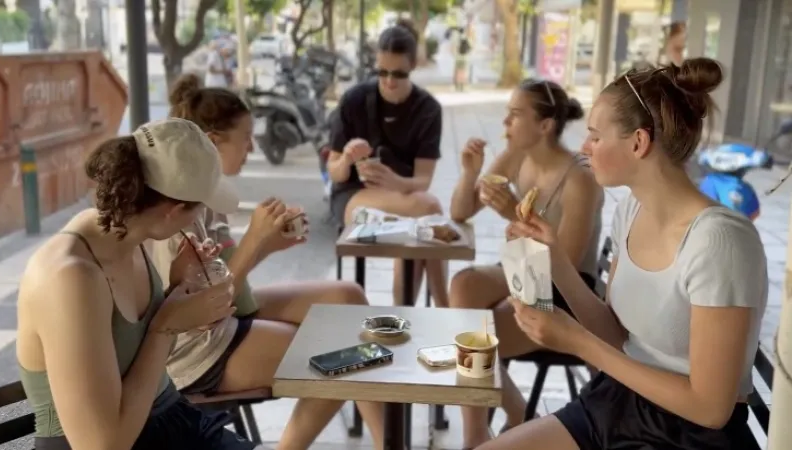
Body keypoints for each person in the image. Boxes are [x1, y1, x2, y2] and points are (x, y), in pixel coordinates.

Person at [482, 58, 767, 450]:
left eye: (595, 136)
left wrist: (578, 343)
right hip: (618, 401)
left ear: (638, 142)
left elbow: (710, 408)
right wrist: (555, 261)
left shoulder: (720, 242)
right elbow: (615, 335)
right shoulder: (630, 211)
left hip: (691, 436)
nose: (584, 148)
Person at [152, 73, 386, 449]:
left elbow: (233, 290)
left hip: (226, 315)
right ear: (212, 143)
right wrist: (256, 240)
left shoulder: (211, 193)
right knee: (346, 356)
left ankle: (385, 443)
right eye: (246, 139)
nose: (252, 148)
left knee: (348, 296)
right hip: (196, 351)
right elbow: (207, 308)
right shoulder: (182, 208)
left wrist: (269, 244)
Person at [16, 118, 263, 449]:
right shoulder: (70, 279)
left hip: (167, 421)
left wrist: (178, 291)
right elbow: (101, 445)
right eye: (199, 208)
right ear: (172, 212)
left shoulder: (128, 237)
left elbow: (137, 361)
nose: (200, 218)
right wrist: (166, 327)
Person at [448, 79, 603, 448]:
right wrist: (471, 171)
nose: (505, 124)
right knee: (463, 286)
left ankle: (492, 428)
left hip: (567, 294)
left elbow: (564, 265)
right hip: (527, 271)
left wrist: (513, 216)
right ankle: (506, 416)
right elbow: (460, 211)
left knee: (471, 335)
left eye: (515, 115)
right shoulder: (516, 155)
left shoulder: (579, 179)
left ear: (545, 125)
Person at [327, 19, 448, 307]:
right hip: (353, 197)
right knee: (429, 209)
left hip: (405, 198)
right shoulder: (355, 100)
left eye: (398, 73)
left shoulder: (427, 109)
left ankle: (403, 315)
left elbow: (423, 180)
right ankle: (445, 308)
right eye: (382, 72)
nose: (389, 81)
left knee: (419, 228)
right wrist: (346, 158)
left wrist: (395, 182)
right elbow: (334, 172)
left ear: (413, 66)